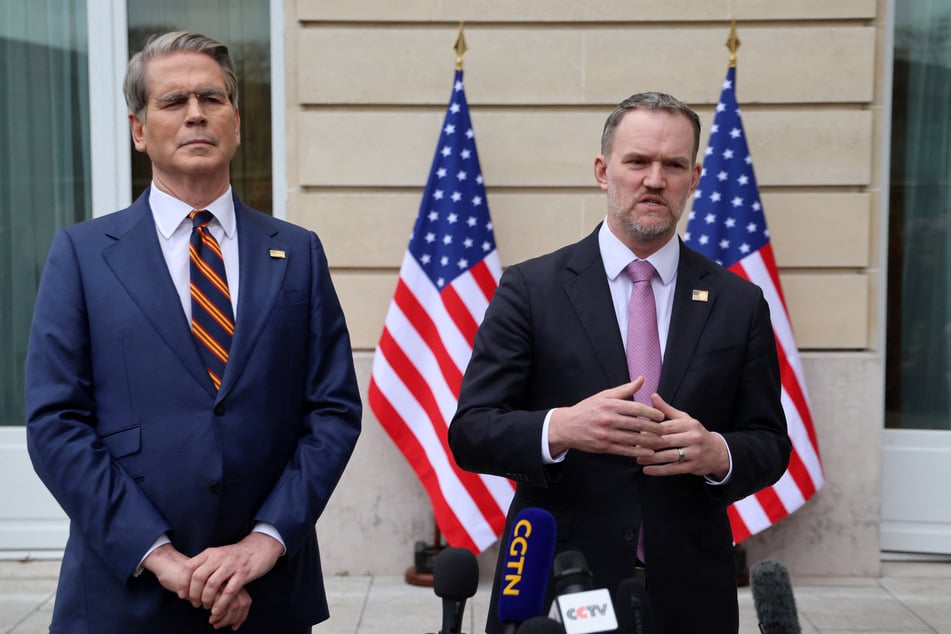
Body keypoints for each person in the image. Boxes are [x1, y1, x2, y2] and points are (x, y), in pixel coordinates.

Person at [25, 31, 361, 633]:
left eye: (212, 97)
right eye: (173, 101)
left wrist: (264, 542)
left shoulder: (298, 253)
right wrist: (162, 559)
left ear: (236, 121)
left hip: (269, 597)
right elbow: (56, 424)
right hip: (122, 594)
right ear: (138, 130)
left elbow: (333, 412)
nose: (196, 113)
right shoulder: (80, 255)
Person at [449, 92, 792, 633]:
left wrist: (716, 452)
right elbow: (471, 432)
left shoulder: (737, 302)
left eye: (673, 165)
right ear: (603, 170)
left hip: (690, 591)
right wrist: (560, 427)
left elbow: (771, 444)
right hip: (557, 582)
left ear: (694, 176)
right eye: (637, 162)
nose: (655, 179)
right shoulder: (530, 289)